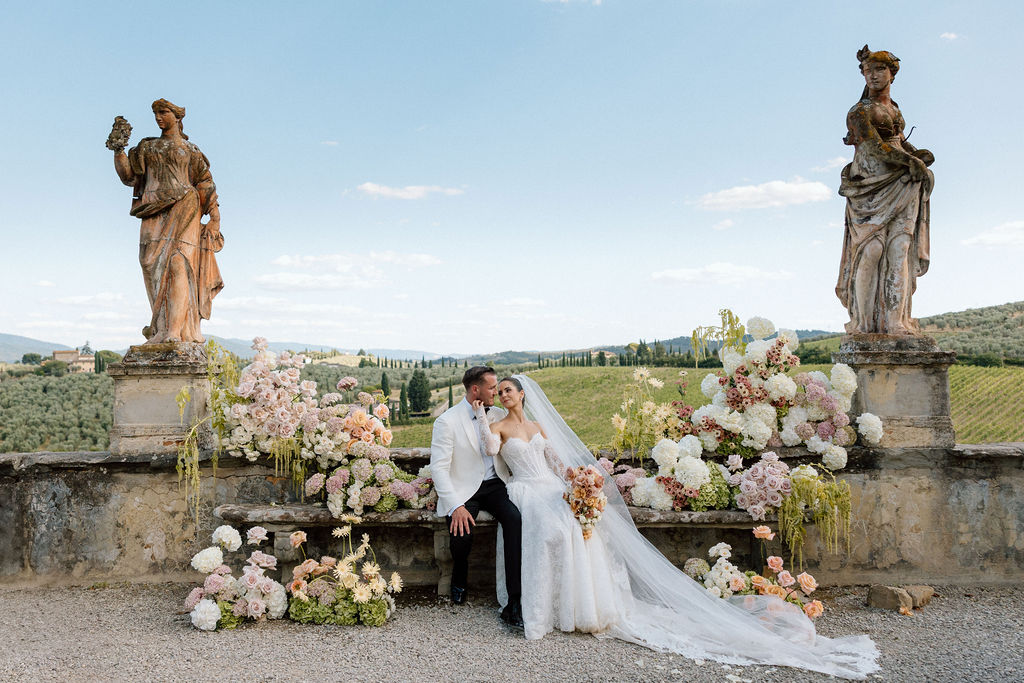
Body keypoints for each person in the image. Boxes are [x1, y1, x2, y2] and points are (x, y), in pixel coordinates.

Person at [475, 374, 879, 680]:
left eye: (510, 390)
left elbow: (557, 465)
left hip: (552, 487)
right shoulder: (497, 427)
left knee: (574, 528)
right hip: (525, 491)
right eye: (501, 392)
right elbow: (493, 453)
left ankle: (576, 604)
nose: (505, 395)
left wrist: (579, 479)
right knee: (549, 531)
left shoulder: (538, 428)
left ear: (524, 394)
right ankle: (537, 607)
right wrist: (481, 419)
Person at [836, 45, 934, 335]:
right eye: (868, 71)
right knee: (872, 249)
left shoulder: (894, 110)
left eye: (879, 69)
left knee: (900, 248)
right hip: (870, 185)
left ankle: (895, 322)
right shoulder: (859, 111)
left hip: (901, 182)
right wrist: (910, 161)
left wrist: (917, 154)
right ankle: (864, 324)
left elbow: (897, 140)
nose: (873, 75)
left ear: (892, 73)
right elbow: (872, 146)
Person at [113, 99, 223, 344]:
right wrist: (118, 149)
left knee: (178, 263)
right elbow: (128, 177)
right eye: (155, 113)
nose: (158, 117)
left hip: (185, 206)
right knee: (149, 263)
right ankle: (161, 328)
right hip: (153, 209)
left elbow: (206, 182)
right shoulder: (146, 147)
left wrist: (214, 217)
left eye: (163, 112)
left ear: (177, 116)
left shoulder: (190, 150)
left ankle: (175, 331)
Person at [429, 366, 523, 628]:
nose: (498, 392)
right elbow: (439, 467)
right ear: (475, 389)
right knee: (462, 531)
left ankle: (515, 597)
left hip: (495, 484)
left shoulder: (499, 414)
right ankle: (459, 577)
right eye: (493, 387)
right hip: (464, 489)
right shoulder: (446, 421)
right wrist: (455, 505)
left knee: (515, 519)